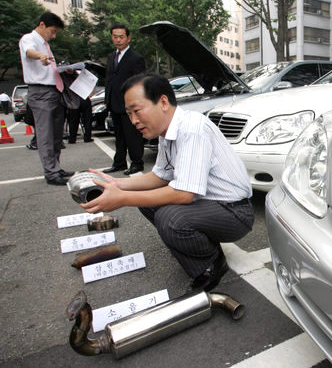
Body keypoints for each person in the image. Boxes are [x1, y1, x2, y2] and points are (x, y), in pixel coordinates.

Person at [81, 73, 254, 292]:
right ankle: (203, 246)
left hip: (235, 212)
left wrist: (123, 199)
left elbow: (184, 194)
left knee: (170, 218)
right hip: (211, 205)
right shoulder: (167, 132)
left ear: (163, 102)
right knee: (147, 202)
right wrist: (117, 184)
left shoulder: (191, 128)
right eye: (129, 114)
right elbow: (160, 176)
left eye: (137, 111)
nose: (133, 120)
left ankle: (211, 264)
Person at [19, 12, 73, 185]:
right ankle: (51, 173)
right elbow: (29, 52)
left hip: (54, 91)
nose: (54, 35)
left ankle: (55, 166)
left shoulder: (45, 44)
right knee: (46, 134)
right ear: (42, 25)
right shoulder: (30, 39)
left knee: (57, 134)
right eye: (53, 31)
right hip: (41, 92)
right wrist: (40, 55)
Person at [104, 24, 146, 175]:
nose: (118, 40)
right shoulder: (111, 57)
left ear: (128, 38)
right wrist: (106, 98)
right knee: (119, 135)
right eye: (115, 36)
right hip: (114, 102)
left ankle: (137, 162)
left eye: (121, 36)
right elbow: (109, 79)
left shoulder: (136, 58)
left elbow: (139, 82)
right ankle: (119, 162)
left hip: (129, 104)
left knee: (132, 135)